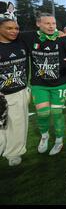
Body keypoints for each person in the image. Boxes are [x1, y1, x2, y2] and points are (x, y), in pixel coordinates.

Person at [20, 13, 66, 156]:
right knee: (43, 113)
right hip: (39, 84)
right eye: (47, 23)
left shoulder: (63, 38)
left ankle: (59, 140)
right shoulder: (29, 37)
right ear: (38, 24)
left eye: (53, 24)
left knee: (57, 113)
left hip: (60, 83)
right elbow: (9, 34)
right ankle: (45, 136)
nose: (51, 26)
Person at [0, 15, 29, 166]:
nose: (14, 31)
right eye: (9, 28)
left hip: (18, 91)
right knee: (1, 125)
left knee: (17, 124)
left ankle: (14, 152)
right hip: (1, 93)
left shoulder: (21, 42)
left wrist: (60, 33)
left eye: (16, 28)